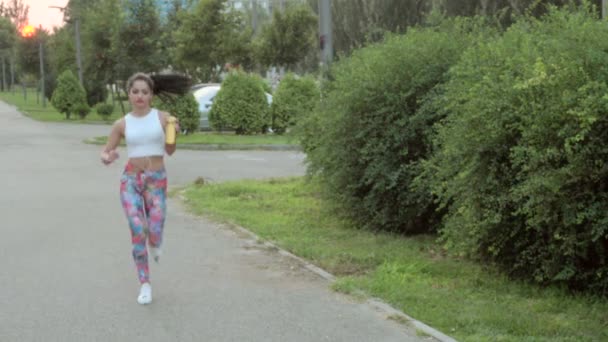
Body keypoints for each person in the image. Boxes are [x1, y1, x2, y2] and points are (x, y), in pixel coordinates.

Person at [100, 72, 190, 305]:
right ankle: (145, 284)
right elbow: (106, 152)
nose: (140, 96)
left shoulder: (163, 118)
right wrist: (109, 157)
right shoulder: (121, 124)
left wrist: (174, 134)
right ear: (129, 94)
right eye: (135, 91)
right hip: (130, 180)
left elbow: (169, 151)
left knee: (155, 228)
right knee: (138, 229)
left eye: (144, 92)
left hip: (156, 179)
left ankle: (156, 242)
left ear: (151, 95)